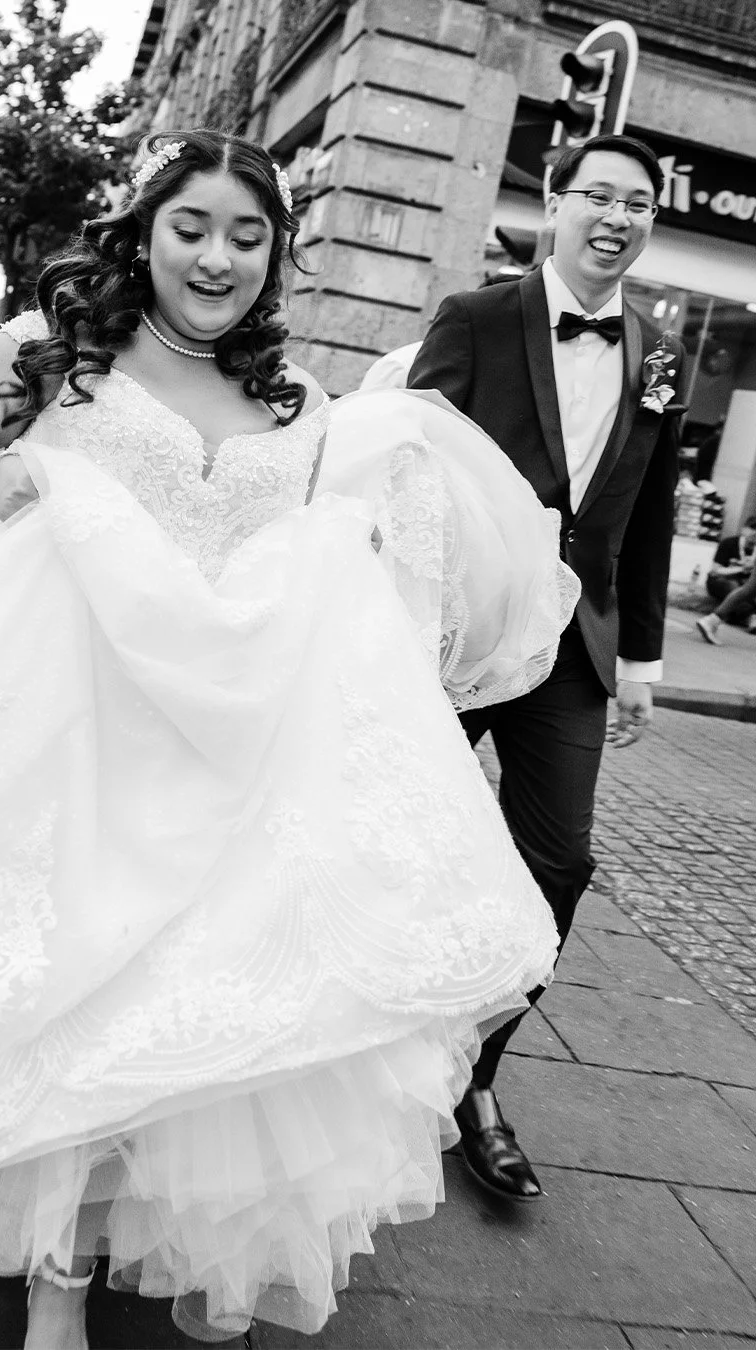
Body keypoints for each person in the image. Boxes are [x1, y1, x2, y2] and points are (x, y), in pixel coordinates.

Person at [0, 131, 576, 1349]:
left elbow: (292, 545)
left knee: (167, 995)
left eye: (247, 237)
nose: (217, 258)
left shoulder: (298, 400)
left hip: (221, 733)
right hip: (60, 711)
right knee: (35, 964)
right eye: (191, 228)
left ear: (275, 253)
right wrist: (8, 480)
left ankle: (79, 1256)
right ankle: (48, 1276)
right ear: (143, 232)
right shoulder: (53, 350)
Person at [407, 132, 684, 1202]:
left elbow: (649, 514)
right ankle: (344, 1055)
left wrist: (642, 656)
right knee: (386, 833)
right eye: (598, 196)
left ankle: (473, 1079)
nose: (617, 218)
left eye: (638, 204)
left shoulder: (660, 353)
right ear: (556, 204)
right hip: (458, 634)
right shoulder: (475, 319)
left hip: (574, 650)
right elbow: (411, 468)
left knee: (558, 864)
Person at [697, 517, 756, 641]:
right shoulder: (729, 543)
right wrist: (742, 568)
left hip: (741, 582)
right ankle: (747, 617)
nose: (754, 533)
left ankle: (714, 620)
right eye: (752, 528)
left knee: (748, 589)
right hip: (721, 580)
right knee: (743, 588)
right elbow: (716, 571)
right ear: (743, 529)